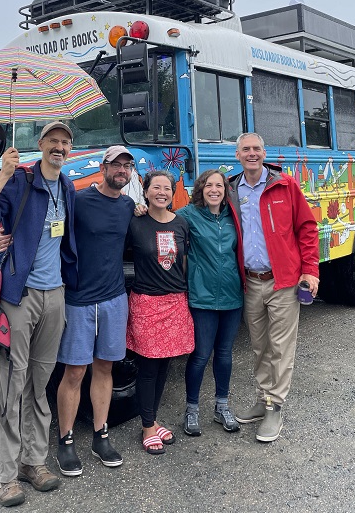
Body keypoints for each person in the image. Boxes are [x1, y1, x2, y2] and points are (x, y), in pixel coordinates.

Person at [0, 121, 78, 507]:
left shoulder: (67, 187)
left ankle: (34, 462)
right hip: (20, 296)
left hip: (55, 296)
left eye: (65, 142)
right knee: (11, 385)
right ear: (41, 144)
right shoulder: (20, 181)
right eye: (53, 141)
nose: (59, 147)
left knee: (39, 383)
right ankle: (6, 475)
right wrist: (2, 175)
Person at [228, 132, 319, 442]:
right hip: (251, 283)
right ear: (237, 155)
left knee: (280, 347)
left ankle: (275, 407)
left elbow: (306, 228)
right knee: (260, 346)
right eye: (246, 149)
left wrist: (311, 271)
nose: (251, 153)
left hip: (283, 281)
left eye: (256, 148)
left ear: (264, 153)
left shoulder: (285, 185)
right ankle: (263, 398)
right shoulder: (230, 190)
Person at [55, 146, 136, 476]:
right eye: (116, 164)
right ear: (103, 167)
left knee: (105, 368)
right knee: (74, 373)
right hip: (79, 300)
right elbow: (52, 233)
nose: (121, 170)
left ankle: (100, 436)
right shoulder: (79, 200)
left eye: (126, 166)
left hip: (115, 299)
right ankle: (65, 442)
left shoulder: (130, 206)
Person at [126, 170, 194, 454]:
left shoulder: (181, 224)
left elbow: (186, 261)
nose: (162, 192)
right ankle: (147, 426)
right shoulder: (135, 222)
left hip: (175, 301)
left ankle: (152, 422)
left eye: (167, 188)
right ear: (146, 191)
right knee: (149, 367)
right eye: (156, 188)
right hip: (146, 303)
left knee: (166, 364)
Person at [176, 169, 245, 437]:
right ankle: (191, 409)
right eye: (209, 185)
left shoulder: (233, 218)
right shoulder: (188, 215)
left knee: (225, 354)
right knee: (201, 355)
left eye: (219, 185)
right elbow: (162, 220)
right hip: (202, 297)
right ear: (201, 189)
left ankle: (222, 406)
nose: (214, 190)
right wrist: (137, 210)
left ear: (226, 190)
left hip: (232, 295)